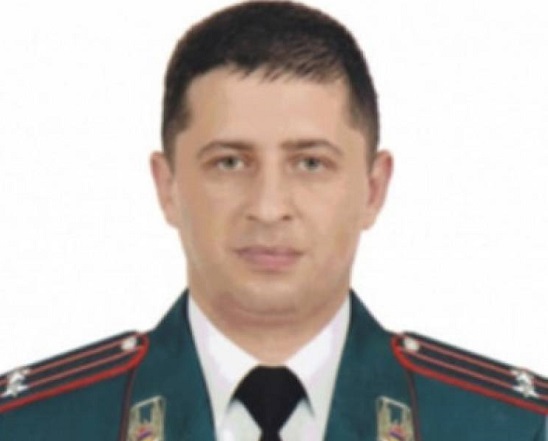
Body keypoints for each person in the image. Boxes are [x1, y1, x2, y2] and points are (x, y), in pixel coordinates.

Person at [1, 1, 547, 440]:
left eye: (310, 163)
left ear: (373, 189)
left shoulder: (510, 428)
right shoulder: (32, 425)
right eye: (229, 162)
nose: (268, 207)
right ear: (167, 187)